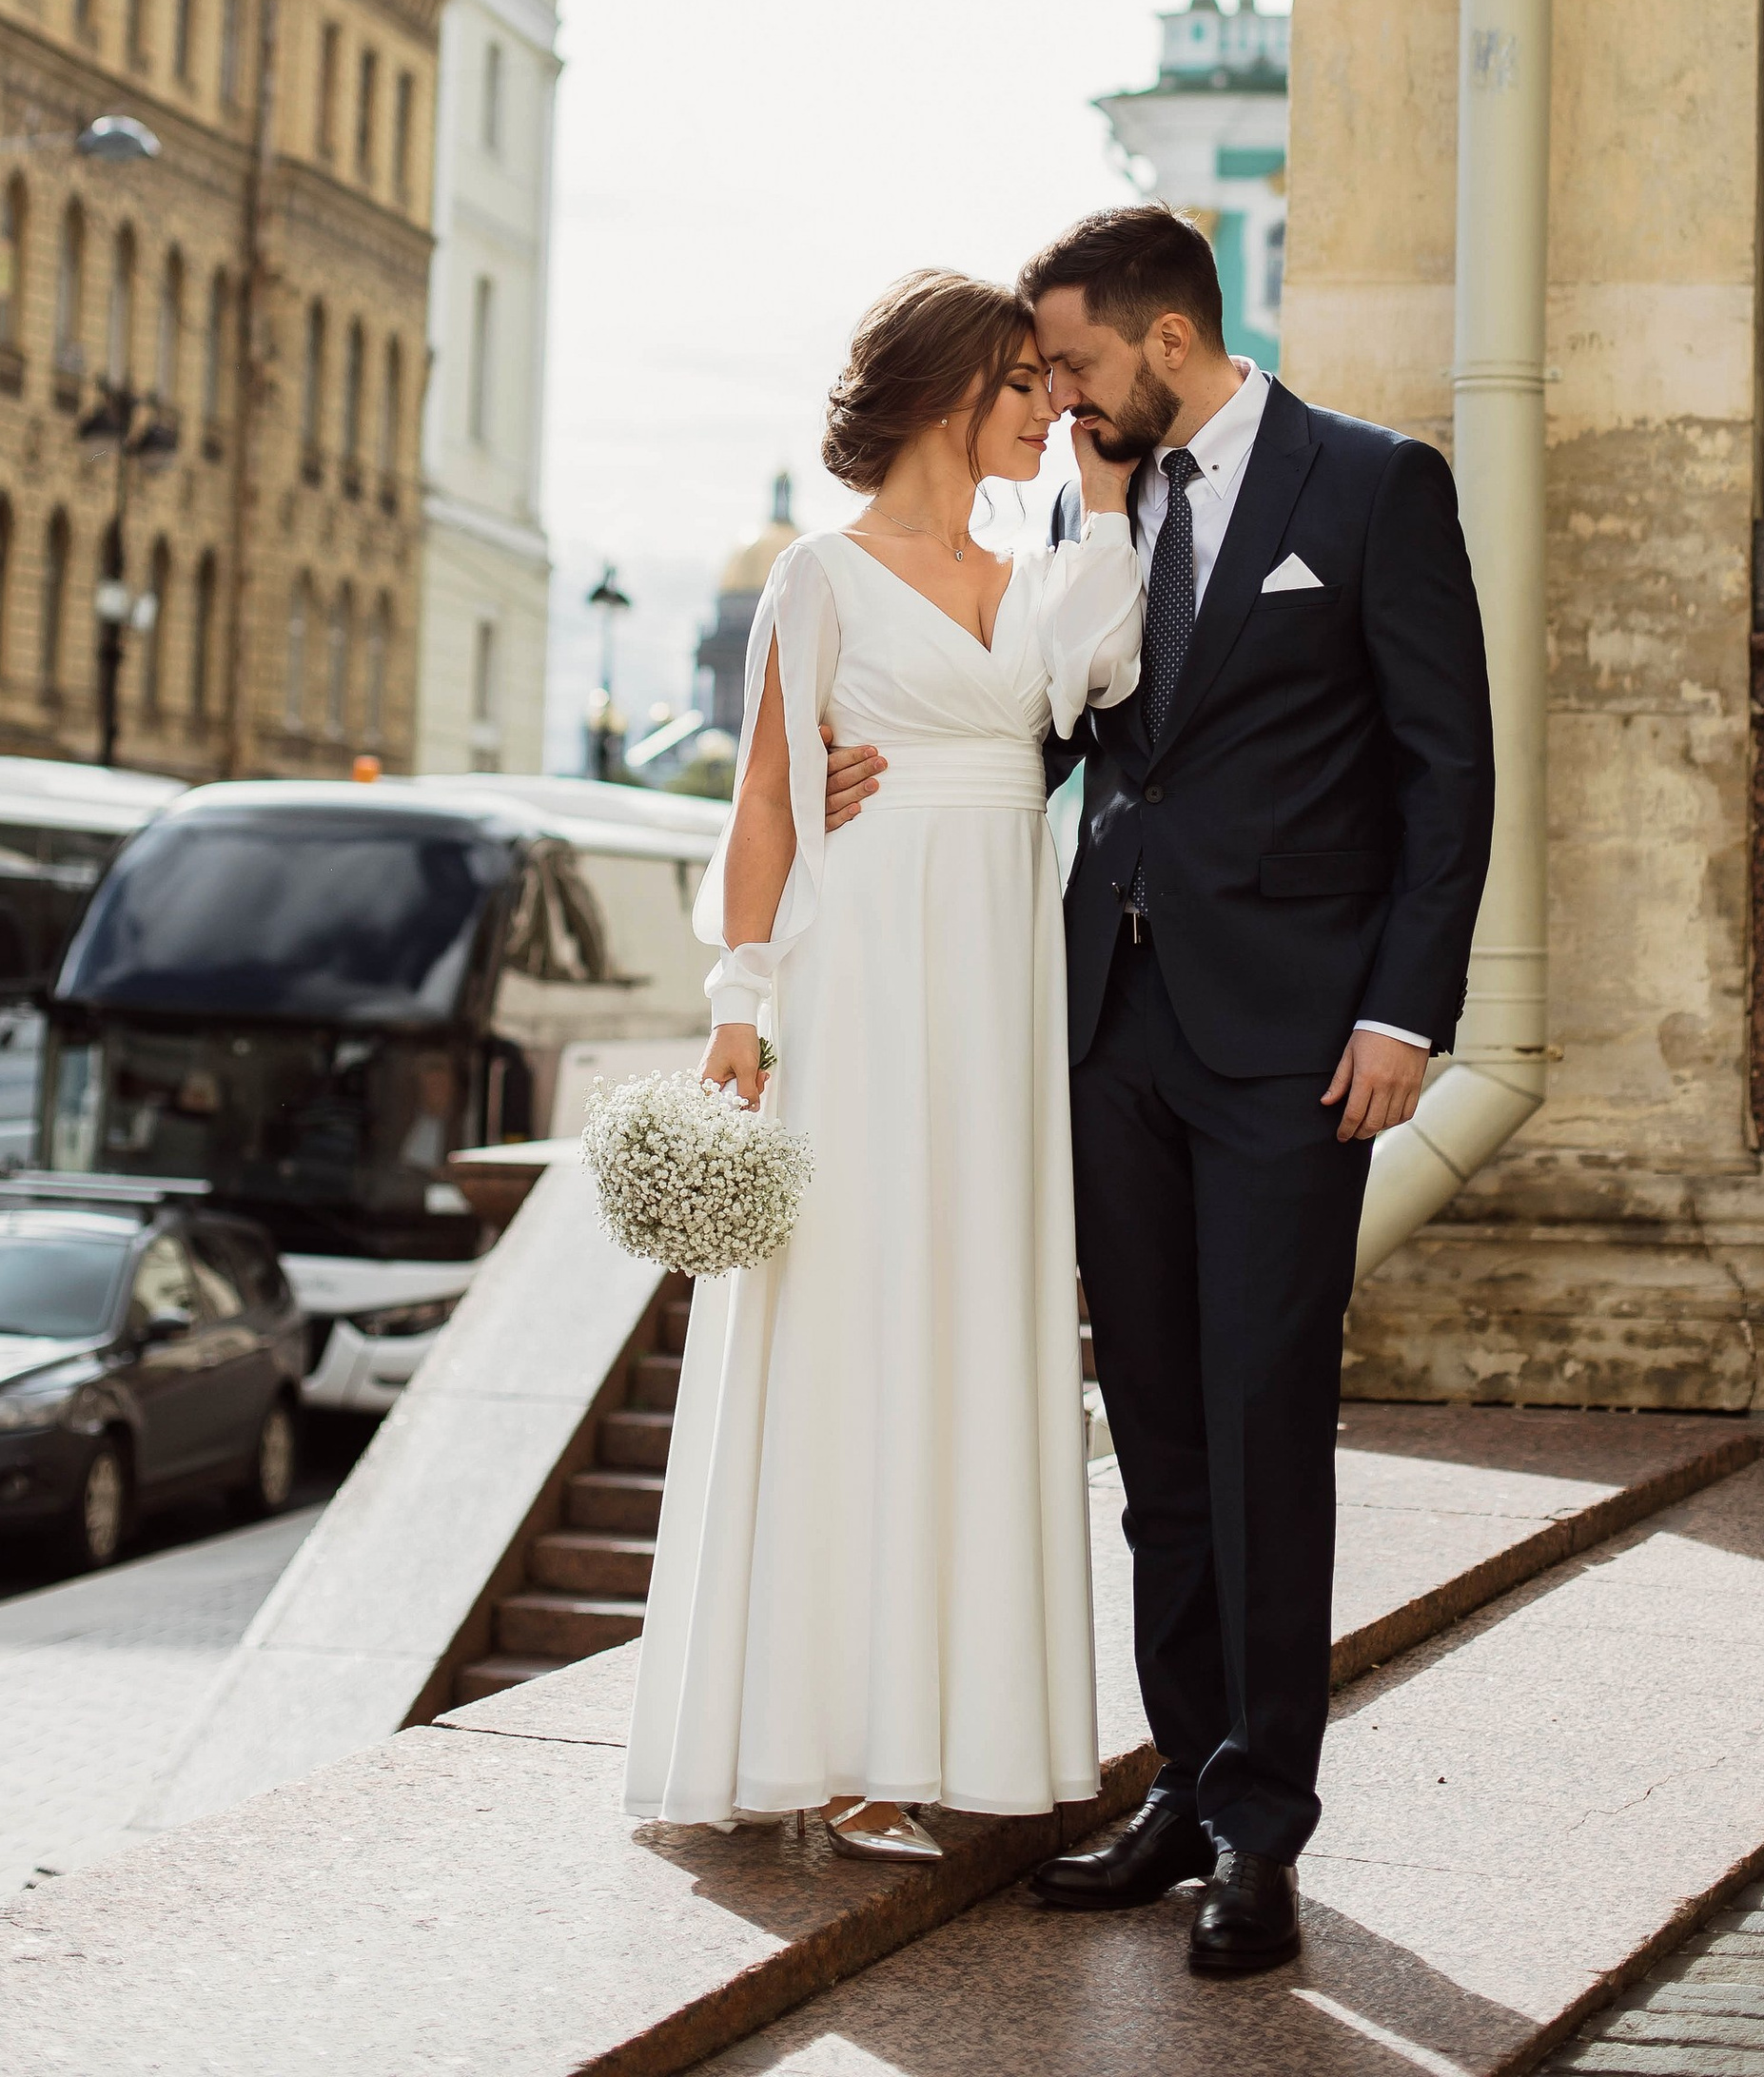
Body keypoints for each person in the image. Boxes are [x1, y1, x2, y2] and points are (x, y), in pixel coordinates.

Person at [823, 204, 1494, 1979]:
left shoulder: (1370, 488)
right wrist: (859, 776)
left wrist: (1406, 1014)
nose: (1053, 394)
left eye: (1070, 363)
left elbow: (1448, 772)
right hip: (1108, 1035)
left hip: (1294, 1051)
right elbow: (1033, 721)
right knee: (1165, 1452)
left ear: (1167, 343)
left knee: (1267, 1433)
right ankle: (1185, 1791)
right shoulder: (1081, 506)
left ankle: (1265, 1830)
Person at [622, 270, 1146, 1851]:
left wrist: (1104, 490)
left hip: (1004, 982)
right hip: (860, 974)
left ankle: (955, 1731)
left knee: (978, 1318)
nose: (1051, 405)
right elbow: (769, 802)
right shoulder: (818, 579)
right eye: (1024, 385)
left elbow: (1107, 670)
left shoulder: (1045, 565)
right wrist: (740, 1004)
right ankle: (832, 1739)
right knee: (849, 1319)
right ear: (945, 395)